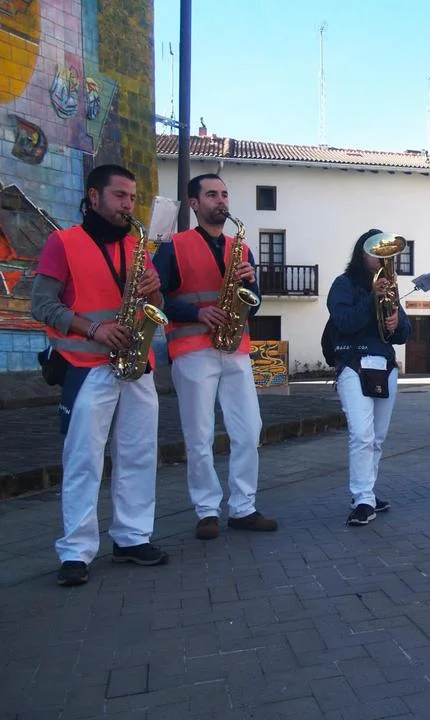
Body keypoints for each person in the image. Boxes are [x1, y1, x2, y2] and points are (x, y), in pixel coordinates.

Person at [30, 164, 168, 587]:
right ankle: (76, 550)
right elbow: (41, 305)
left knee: (139, 453)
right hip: (87, 365)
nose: (129, 205)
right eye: (120, 196)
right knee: (83, 459)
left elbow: (157, 306)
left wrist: (155, 288)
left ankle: (132, 537)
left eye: (132, 198)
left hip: (137, 364)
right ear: (93, 197)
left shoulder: (137, 245)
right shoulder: (62, 242)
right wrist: (94, 329)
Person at [154, 173, 278, 539]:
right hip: (193, 349)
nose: (221, 200)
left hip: (235, 348)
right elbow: (156, 299)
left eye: (224, 194)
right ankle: (207, 510)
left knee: (249, 430)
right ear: (194, 204)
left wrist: (250, 282)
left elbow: (254, 305)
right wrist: (197, 313)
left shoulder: (241, 248)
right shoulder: (173, 247)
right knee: (199, 435)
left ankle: (243, 507)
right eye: (212, 194)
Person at [327, 230, 411, 525]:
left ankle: (367, 494)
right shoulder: (343, 284)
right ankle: (362, 498)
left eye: (387, 255)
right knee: (362, 435)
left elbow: (403, 334)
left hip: (384, 365)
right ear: (362, 254)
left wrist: (397, 322)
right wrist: (372, 298)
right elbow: (344, 322)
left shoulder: (390, 287)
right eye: (377, 254)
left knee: (377, 438)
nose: (383, 260)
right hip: (354, 363)